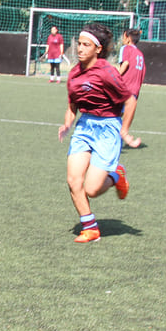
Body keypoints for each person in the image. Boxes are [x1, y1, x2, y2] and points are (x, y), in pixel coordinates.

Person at [57, 23, 132, 244]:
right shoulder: (73, 74)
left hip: (108, 127)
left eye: (86, 45)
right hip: (84, 127)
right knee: (73, 180)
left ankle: (117, 174)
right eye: (79, 44)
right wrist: (67, 123)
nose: (80, 48)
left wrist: (124, 131)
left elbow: (130, 99)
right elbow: (73, 105)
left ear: (98, 49)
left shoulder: (107, 72)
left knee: (92, 189)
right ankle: (90, 228)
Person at [115, 28, 144, 147]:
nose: (122, 39)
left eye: (123, 36)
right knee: (120, 114)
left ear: (127, 38)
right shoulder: (140, 54)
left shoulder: (126, 48)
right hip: (135, 88)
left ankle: (121, 134)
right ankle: (118, 138)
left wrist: (115, 77)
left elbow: (125, 64)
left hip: (124, 86)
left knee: (110, 113)